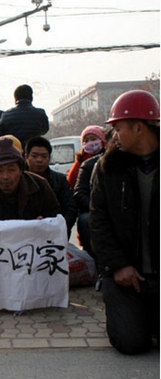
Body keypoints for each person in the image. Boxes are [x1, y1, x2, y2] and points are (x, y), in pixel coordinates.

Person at [90, 89, 159, 355]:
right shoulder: (108, 168)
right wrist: (118, 266)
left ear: (139, 128)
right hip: (125, 278)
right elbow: (99, 221)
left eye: (118, 128)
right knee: (131, 343)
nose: (114, 136)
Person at [0, 136, 60, 223]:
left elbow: (55, 218)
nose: (5, 176)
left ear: (21, 170)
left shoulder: (40, 186)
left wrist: (45, 222)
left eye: (11, 170)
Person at [73, 127, 115, 257]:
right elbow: (79, 193)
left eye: (94, 139)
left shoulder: (129, 163)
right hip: (95, 209)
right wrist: (97, 207)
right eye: (87, 140)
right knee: (86, 220)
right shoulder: (88, 165)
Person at [24, 136, 78, 237]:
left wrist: (59, 226)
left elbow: (70, 208)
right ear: (26, 157)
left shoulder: (60, 180)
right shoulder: (18, 180)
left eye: (44, 156)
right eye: (34, 156)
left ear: (49, 157)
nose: (39, 160)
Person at [67, 125, 106, 191]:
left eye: (93, 139)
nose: (90, 142)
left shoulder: (108, 158)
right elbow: (71, 185)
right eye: (86, 140)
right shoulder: (80, 162)